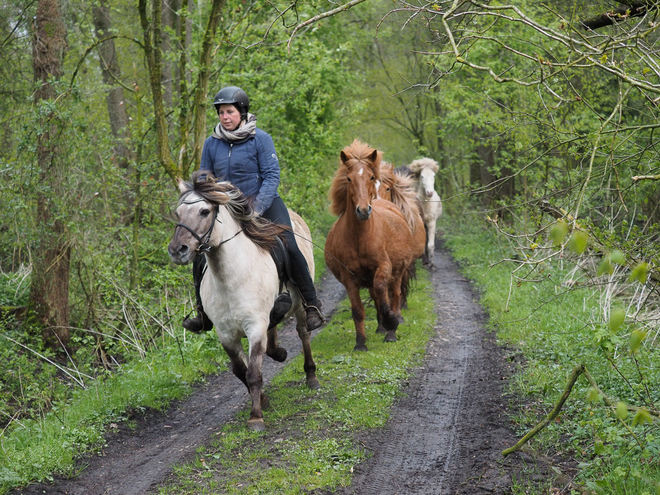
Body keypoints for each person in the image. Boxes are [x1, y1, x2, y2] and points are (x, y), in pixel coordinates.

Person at [182, 85, 325, 333]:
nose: (224, 117)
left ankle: (311, 304)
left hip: (262, 204)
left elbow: (272, 176)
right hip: (226, 210)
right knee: (200, 251)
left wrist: (257, 207)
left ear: (241, 111)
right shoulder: (211, 143)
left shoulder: (261, 139)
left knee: (289, 244)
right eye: (221, 113)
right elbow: (205, 180)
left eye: (229, 112)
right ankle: (202, 312)